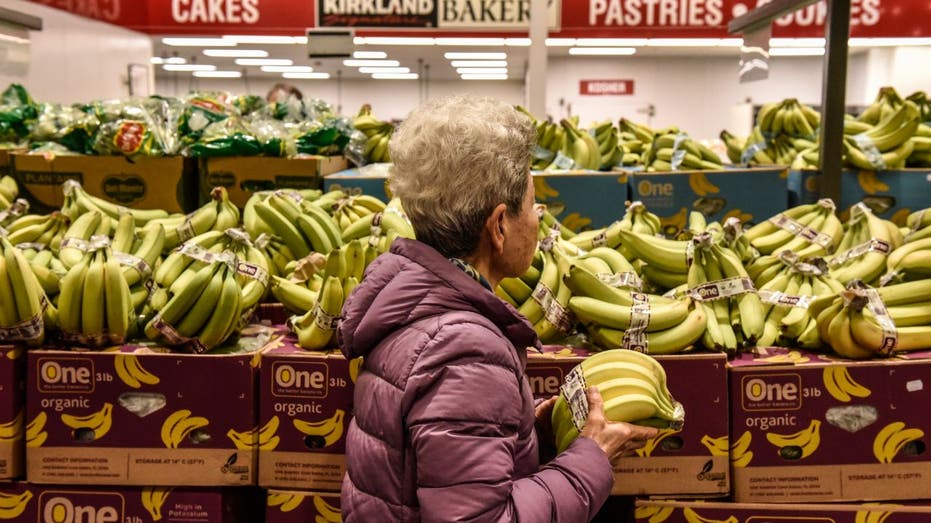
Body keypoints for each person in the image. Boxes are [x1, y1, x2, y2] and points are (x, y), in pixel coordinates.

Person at [338, 94, 660, 522]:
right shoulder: (465, 350)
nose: (539, 218)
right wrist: (591, 461)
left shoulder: (410, 308)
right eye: (532, 203)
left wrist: (531, 437)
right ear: (499, 225)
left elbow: (434, 471)